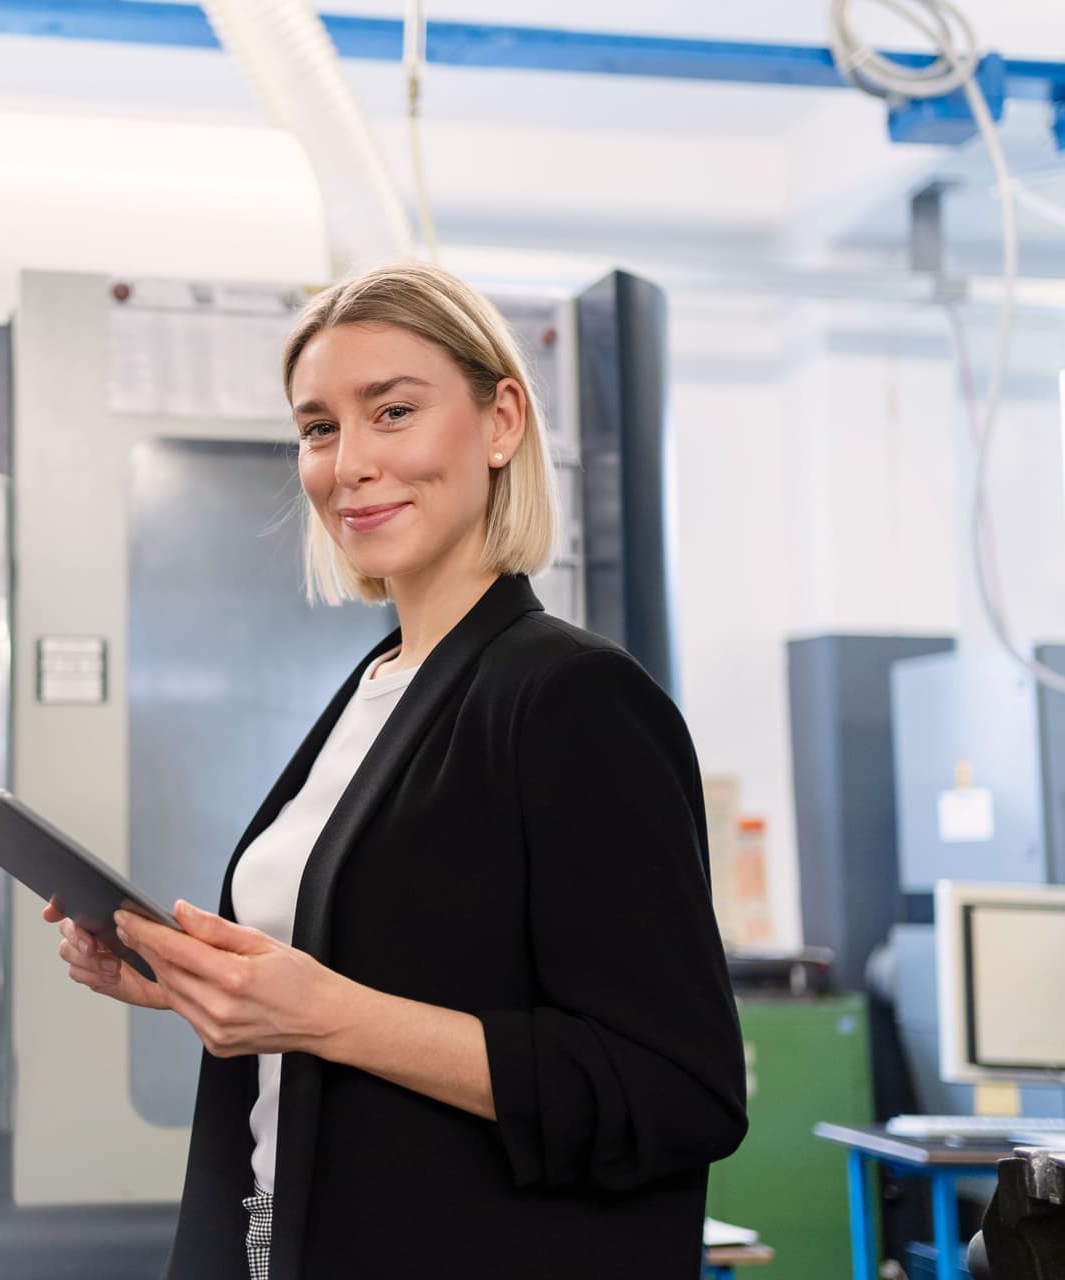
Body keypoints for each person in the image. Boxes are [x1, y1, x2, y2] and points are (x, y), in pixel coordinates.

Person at [45, 261, 748, 1279]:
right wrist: (194, 985)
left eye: (393, 412)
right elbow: (391, 964)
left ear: (501, 419)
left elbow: (677, 1086)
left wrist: (322, 1012)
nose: (350, 462)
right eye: (320, 427)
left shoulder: (571, 698)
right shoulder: (377, 687)